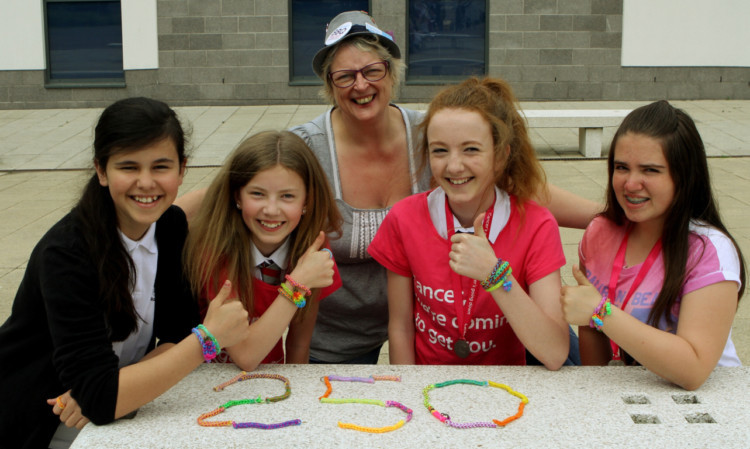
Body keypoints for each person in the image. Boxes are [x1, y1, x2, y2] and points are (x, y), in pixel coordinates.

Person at [286, 10, 595, 365]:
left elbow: (520, 186)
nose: (360, 85)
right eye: (345, 76)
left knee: (564, 362)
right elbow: (241, 190)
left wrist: (608, 216)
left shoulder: (433, 132)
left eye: (372, 70)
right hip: (345, 331)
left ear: (391, 72)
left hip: (463, 316)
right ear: (329, 84)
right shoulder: (306, 149)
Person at [0, 97, 251, 448]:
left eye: (161, 167)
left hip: (98, 412)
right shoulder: (67, 253)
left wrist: (113, 388)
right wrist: (207, 340)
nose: (146, 183)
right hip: (38, 418)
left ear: (182, 169)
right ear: (101, 171)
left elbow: (175, 335)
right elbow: (105, 398)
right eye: (128, 167)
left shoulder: (170, 225)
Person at [368, 77, 570, 368]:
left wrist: (495, 275)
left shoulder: (537, 225)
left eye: (471, 149)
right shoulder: (404, 218)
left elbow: (554, 352)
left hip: (506, 392)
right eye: (439, 150)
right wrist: (409, 393)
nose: (453, 166)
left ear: (500, 156)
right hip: (427, 390)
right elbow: (400, 328)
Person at [560, 100, 746, 390]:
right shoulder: (598, 232)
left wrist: (601, 312)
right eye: (622, 167)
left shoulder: (709, 250)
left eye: (650, 170)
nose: (631, 183)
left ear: (684, 177)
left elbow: (694, 371)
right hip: (632, 391)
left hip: (706, 405)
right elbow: (592, 333)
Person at [183, 131, 343, 371]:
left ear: (307, 201)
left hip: (267, 379)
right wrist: (297, 284)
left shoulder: (311, 250)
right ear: (237, 196)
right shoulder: (215, 247)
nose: (271, 209)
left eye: (287, 196)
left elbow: (299, 344)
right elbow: (246, 355)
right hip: (207, 381)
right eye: (257, 194)